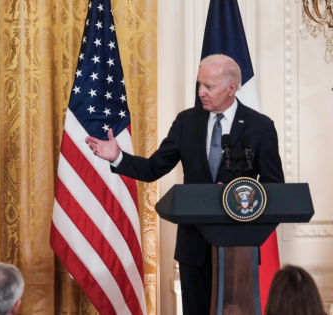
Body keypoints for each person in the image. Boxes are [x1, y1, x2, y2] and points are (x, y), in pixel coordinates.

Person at [85, 54, 285, 315]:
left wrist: (242, 201)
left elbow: (274, 190)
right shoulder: (186, 122)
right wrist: (117, 157)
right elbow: (154, 168)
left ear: (231, 88)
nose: (201, 92)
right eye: (199, 84)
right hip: (195, 249)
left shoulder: (260, 127)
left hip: (240, 248)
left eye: (209, 87)